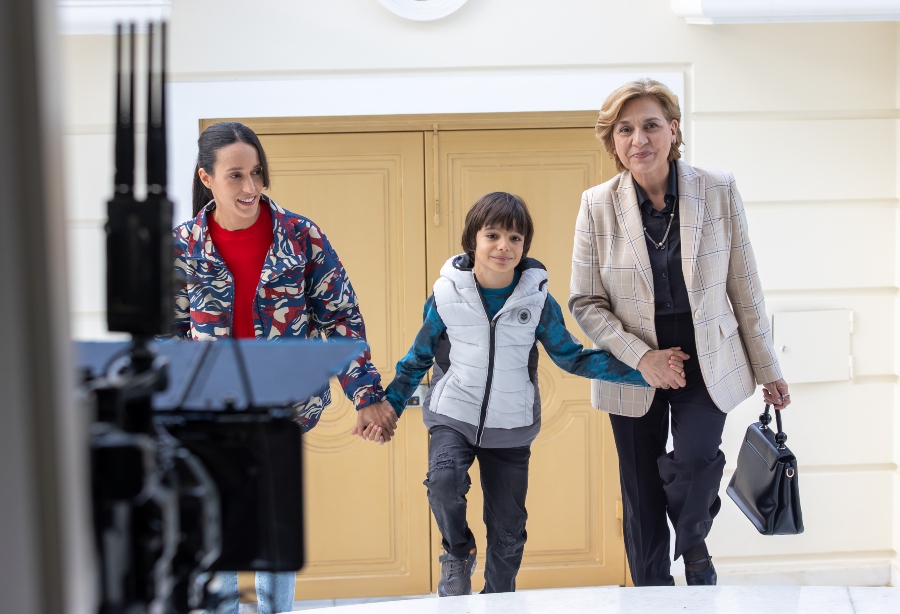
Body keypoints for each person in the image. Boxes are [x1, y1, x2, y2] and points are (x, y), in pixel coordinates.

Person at [362, 192, 681, 596]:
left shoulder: (538, 301)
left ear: (524, 246)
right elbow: (416, 359)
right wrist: (387, 407)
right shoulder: (446, 296)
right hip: (452, 415)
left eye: (514, 238)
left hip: (511, 425)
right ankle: (457, 551)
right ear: (472, 241)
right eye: (492, 235)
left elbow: (572, 358)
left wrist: (643, 371)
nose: (503, 246)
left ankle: (498, 600)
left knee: (509, 532)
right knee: (443, 481)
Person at [568, 78, 791, 587]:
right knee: (641, 488)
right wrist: (643, 357)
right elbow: (585, 301)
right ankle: (651, 592)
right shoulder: (596, 204)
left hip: (705, 358)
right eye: (625, 130)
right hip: (631, 364)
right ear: (613, 140)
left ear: (673, 131)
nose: (638, 140)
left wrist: (768, 369)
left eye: (650, 126)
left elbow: (745, 287)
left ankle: (692, 540)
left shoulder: (717, 189)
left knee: (695, 459)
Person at [172, 121, 398, 613]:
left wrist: (366, 394)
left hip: (284, 409)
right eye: (235, 176)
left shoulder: (300, 235)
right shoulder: (182, 245)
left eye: (256, 173)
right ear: (206, 178)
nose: (251, 187)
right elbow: (164, 336)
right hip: (211, 412)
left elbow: (339, 318)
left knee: (274, 523)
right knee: (220, 522)